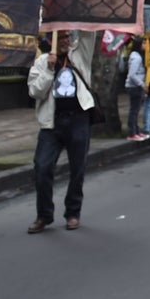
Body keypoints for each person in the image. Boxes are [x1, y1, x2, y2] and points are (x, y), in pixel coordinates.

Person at [26, 30, 95, 233]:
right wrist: (49, 69)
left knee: (77, 169)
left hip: (78, 120)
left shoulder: (79, 54)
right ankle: (44, 215)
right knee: (42, 167)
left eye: (67, 37)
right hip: (52, 123)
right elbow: (35, 92)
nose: (65, 41)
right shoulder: (41, 62)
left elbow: (88, 34)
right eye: (60, 37)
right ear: (50, 40)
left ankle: (73, 213)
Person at [124, 37, 146, 140]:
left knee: (136, 110)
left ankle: (136, 130)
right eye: (143, 44)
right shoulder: (136, 58)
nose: (145, 46)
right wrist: (142, 84)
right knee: (134, 110)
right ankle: (132, 132)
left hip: (136, 86)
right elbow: (132, 74)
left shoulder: (137, 56)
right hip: (134, 87)